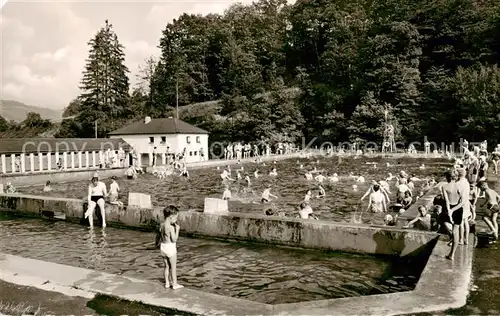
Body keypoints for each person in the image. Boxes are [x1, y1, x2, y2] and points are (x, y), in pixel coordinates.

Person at [155, 206, 183, 290]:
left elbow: (158, 236)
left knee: (166, 266)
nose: (176, 220)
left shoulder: (162, 225)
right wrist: (177, 230)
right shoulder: (171, 228)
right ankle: (175, 284)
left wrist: (156, 244)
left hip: (163, 247)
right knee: (173, 267)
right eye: (176, 217)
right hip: (170, 247)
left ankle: (167, 283)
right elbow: (174, 240)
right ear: (171, 217)